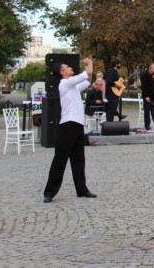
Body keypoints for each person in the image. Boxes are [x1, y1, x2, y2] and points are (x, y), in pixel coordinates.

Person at [43, 56, 97, 203]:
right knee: (60, 160)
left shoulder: (73, 86)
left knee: (79, 159)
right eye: (67, 66)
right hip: (67, 126)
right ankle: (49, 192)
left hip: (78, 125)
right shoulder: (65, 84)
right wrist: (89, 63)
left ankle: (82, 189)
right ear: (62, 72)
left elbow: (87, 81)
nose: (70, 67)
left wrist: (90, 72)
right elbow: (86, 73)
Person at [140, 63, 154, 130]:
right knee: (147, 110)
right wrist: (146, 96)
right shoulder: (145, 75)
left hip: (153, 95)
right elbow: (144, 87)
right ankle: (147, 125)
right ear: (150, 68)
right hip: (147, 96)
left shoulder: (153, 76)